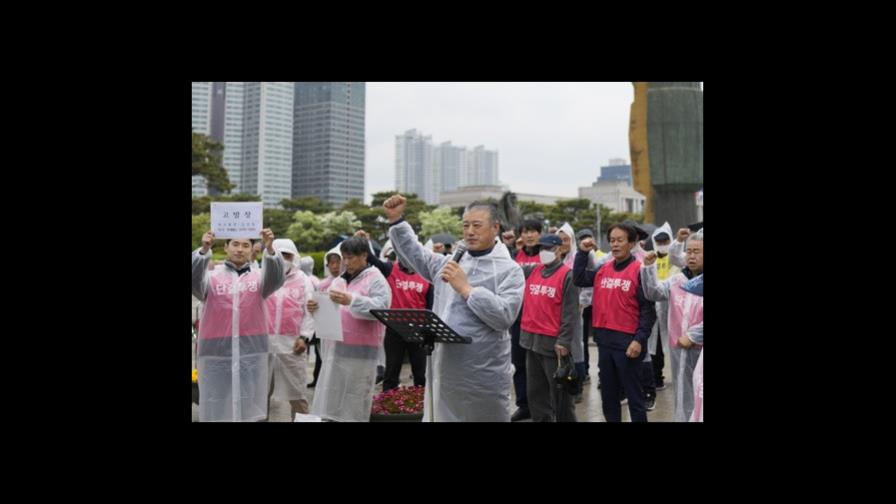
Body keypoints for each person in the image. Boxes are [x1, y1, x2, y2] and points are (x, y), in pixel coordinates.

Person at [383, 194, 525, 421]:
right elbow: (416, 254)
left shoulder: (510, 270)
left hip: (482, 370)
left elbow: (504, 316)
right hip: (445, 367)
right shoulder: (450, 263)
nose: (469, 231)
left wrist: (467, 289)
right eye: (466, 225)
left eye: (477, 225)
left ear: (495, 228)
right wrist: (397, 221)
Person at [191, 228, 287, 421]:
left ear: (253, 249)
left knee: (248, 402)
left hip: (250, 352)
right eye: (235, 244)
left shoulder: (260, 278)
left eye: (246, 245)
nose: (240, 249)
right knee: (217, 400)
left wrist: (270, 250)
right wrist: (203, 251)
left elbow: (277, 279)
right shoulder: (212, 277)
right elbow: (194, 281)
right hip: (217, 353)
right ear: (226, 247)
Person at [573, 223, 656, 422]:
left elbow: (648, 311)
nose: (615, 245)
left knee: (635, 398)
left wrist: (639, 340)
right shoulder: (603, 269)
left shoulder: (639, 270)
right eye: (612, 240)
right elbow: (579, 278)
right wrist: (582, 254)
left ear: (632, 243)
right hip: (605, 342)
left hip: (628, 344)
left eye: (620, 240)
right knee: (609, 397)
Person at [307, 237, 392, 421]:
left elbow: (382, 308)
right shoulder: (339, 281)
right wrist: (316, 308)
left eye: (350, 257)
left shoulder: (375, 278)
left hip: (361, 352)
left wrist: (351, 300)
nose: (345, 262)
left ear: (364, 255)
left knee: (355, 400)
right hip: (336, 350)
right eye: (343, 257)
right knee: (334, 398)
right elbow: (331, 311)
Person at [357, 231, 432, 392]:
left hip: (418, 331)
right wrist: (364, 242)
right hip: (394, 329)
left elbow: (430, 306)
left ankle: (421, 406)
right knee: (391, 372)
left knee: (420, 374)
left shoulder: (426, 276)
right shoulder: (391, 269)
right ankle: (388, 405)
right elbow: (372, 259)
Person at [641, 231, 703, 421]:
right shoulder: (678, 280)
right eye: (689, 251)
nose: (691, 256)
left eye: (697, 252)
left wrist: (694, 335)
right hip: (678, 350)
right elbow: (653, 293)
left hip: (700, 351)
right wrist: (648, 268)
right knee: (682, 393)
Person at [518, 234, 578, 421]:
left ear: (559, 250)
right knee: (536, 393)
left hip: (553, 345)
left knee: (560, 395)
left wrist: (564, 341)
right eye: (541, 249)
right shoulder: (533, 271)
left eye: (549, 249)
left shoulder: (567, 275)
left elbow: (570, 312)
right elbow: (510, 266)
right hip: (531, 341)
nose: (544, 253)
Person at [265, 239, 315, 420]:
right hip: (265, 346)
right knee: (260, 396)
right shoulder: (264, 276)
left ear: (294, 257)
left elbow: (310, 312)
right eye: (280, 254)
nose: (284, 259)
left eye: (288, 255)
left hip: (293, 346)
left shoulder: (303, 280)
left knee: (298, 396)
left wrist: (305, 337)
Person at [508, 218, 543, 421]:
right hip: (519, 316)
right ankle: (524, 405)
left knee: (540, 365)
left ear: (540, 233)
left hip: (540, 317)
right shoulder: (513, 256)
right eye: (525, 231)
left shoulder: (547, 254)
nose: (529, 235)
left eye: (533, 231)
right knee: (519, 363)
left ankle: (543, 405)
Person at [555, 222, 586, 403]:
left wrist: (582, 302)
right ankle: (564, 383)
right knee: (562, 348)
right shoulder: (555, 258)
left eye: (566, 239)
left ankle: (578, 385)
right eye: (560, 240)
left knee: (575, 348)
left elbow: (588, 286)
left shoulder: (577, 259)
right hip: (557, 311)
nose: (563, 243)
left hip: (574, 311)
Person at [308, 245, 344, 388]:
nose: (335, 266)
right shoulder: (322, 284)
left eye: (338, 262)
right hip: (325, 332)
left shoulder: (349, 281)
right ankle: (319, 381)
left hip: (342, 332)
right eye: (331, 263)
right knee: (321, 358)